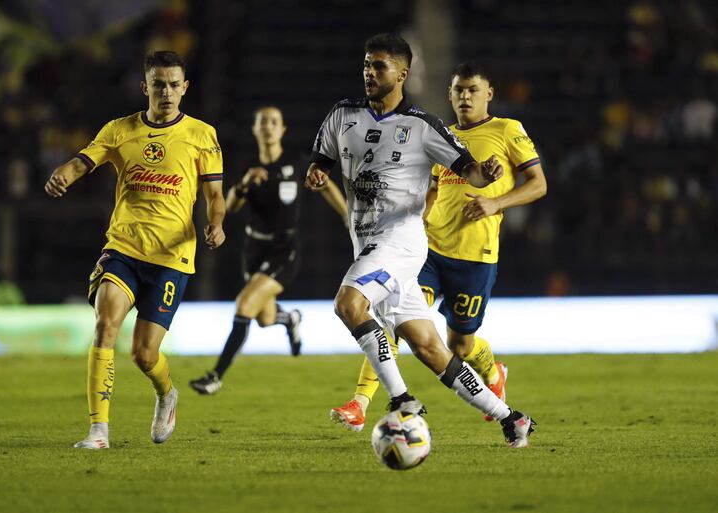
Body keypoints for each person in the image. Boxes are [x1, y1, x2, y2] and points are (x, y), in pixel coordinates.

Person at [306, 34, 536, 447]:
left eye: (379, 66)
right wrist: (317, 172)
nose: (369, 73)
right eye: (366, 65)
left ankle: (401, 401)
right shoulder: (342, 115)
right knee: (431, 346)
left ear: (402, 74)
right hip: (367, 241)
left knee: (348, 303)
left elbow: (472, 173)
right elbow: (321, 158)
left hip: (402, 242)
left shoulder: (423, 127)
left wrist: (489, 174)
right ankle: (511, 418)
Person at [44, 51, 226, 449]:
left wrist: (216, 223)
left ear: (185, 88)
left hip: (172, 258)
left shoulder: (201, 135)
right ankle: (98, 431)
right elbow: (81, 162)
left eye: (174, 84)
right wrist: (63, 175)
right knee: (105, 325)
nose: (166, 92)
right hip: (124, 248)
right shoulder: (119, 130)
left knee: (144, 355)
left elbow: (215, 194)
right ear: (145, 87)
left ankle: (166, 393)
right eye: (158, 84)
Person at [189, 106, 347, 395]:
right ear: (255, 129)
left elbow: (324, 186)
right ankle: (291, 319)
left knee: (243, 304)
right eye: (263, 122)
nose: (268, 126)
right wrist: (245, 183)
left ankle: (215, 376)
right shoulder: (248, 165)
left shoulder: (297, 162)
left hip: (284, 248)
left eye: (274, 122)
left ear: (282, 129)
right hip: (254, 247)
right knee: (263, 319)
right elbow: (232, 205)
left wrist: (346, 215)